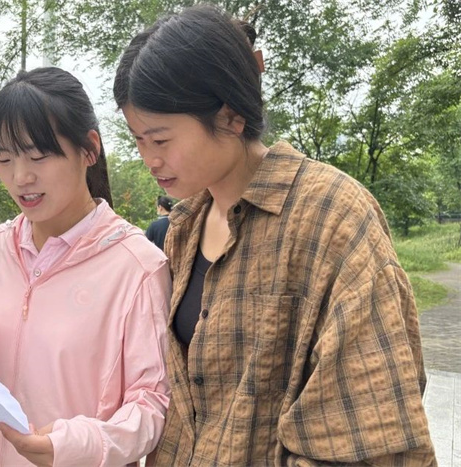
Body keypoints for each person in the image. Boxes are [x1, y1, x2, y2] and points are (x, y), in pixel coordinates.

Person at [113, 5, 436, 466]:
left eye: (161, 140)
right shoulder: (183, 229)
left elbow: (370, 430)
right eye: (138, 140)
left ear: (230, 117)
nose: (150, 159)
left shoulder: (331, 217)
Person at [0, 67, 171, 467]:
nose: (21, 177)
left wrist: (75, 445)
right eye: (4, 159)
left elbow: (153, 404)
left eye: (38, 156)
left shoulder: (137, 267)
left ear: (89, 150)